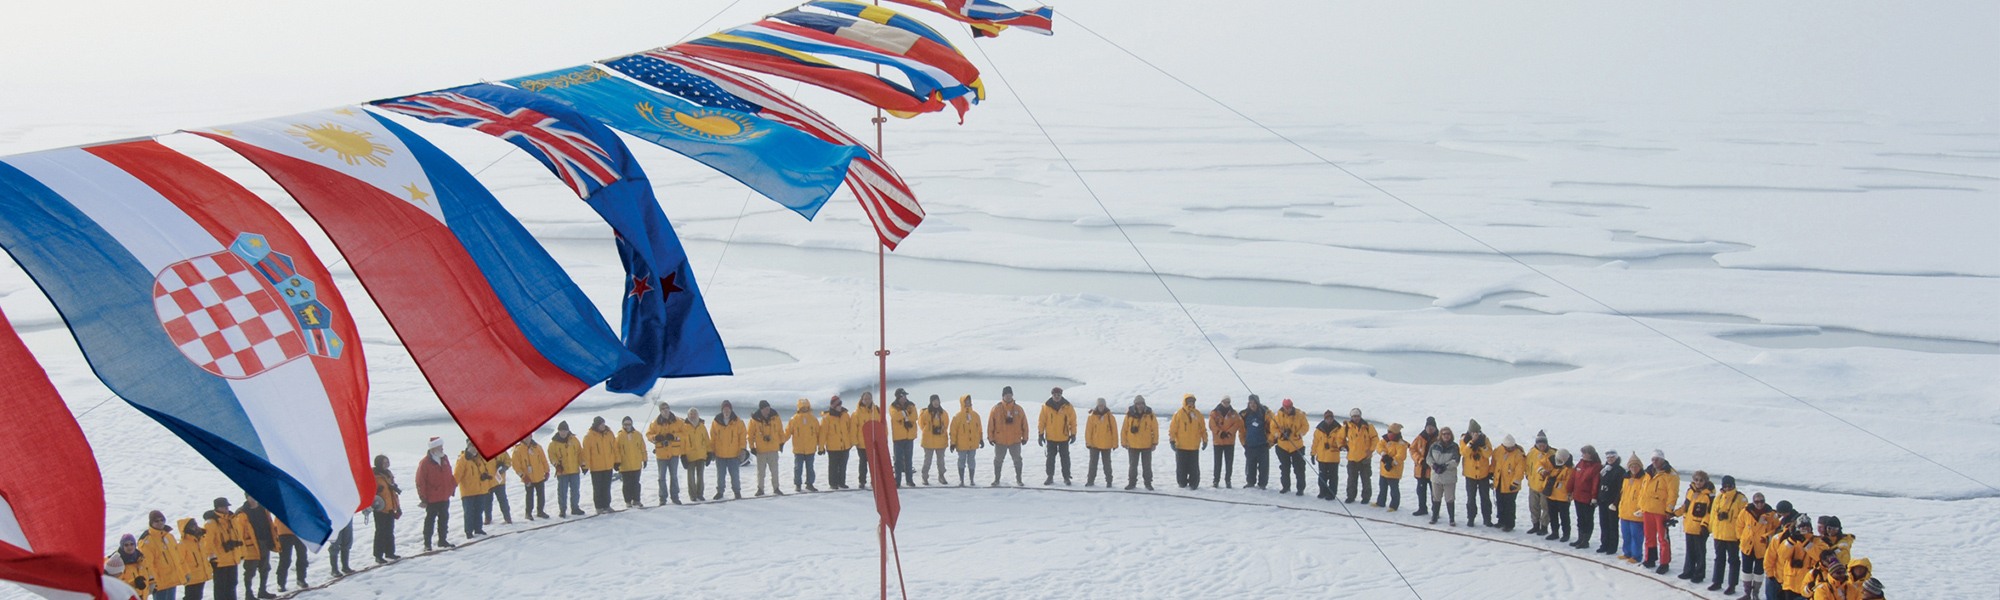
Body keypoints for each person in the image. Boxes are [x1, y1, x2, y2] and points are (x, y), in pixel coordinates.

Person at [1641, 450, 1681, 574]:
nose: (1654, 462)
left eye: (1657, 459)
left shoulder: (1671, 475)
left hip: (1661, 511)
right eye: (1653, 459)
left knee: (1662, 538)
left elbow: (1673, 494)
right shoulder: (1649, 472)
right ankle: (1650, 558)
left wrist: (1669, 510)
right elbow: (1644, 490)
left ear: (1662, 459)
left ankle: (1664, 562)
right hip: (1648, 509)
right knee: (1649, 536)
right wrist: (1641, 506)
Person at [1709, 475, 1749, 595]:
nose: (1727, 488)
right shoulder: (1719, 497)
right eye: (1725, 485)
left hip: (1733, 536)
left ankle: (1732, 585)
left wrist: (1741, 536)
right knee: (1719, 559)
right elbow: (1712, 515)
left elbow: (1744, 519)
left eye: (1729, 485)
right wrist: (1711, 529)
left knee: (1733, 561)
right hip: (1719, 535)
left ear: (1734, 485)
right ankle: (1717, 581)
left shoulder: (1741, 499)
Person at [1737, 495, 1781, 600]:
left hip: (1762, 547)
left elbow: (1777, 529)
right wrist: (1741, 538)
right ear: (1753, 502)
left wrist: (1766, 536)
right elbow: (1739, 525)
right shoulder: (1746, 511)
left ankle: (1755, 593)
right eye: (1757, 502)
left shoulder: (1772, 514)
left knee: (1759, 571)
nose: (1760, 504)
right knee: (1746, 570)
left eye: (1762, 501)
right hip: (1747, 545)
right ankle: (1747, 593)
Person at [1677, 470, 1717, 584]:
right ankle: (1688, 571)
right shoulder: (1690, 491)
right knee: (1690, 551)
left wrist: (1704, 525)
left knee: (1700, 552)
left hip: (1700, 528)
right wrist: (1674, 513)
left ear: (1705, 481)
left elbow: (1710, 512)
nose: (1698, 482)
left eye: (1701, 480)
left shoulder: (1709, 494)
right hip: (1689, 525)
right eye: (1696, 480)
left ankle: (1699, 574)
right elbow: (1686, 506)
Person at [647, 402, 689, 505]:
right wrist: (655, 438)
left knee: (674, 476)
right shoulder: (655, 423)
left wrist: (674, 436)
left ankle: (675, 497)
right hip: (661, 454)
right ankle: (662, 498)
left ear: (669, 409)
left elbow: (685, 434)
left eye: (667, 408)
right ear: (660, 411)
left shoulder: (678, 421)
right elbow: (648, 434)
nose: (665, 411)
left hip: (674, 453)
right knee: (661, 477)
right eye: (663, 409)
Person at [988, 387, 1030, 486]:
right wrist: (990, 437)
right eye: (1006, 395)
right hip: (1000, 441)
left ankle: (1019, 479)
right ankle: (996, 479)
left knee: (1017, 460)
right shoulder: (996, 409)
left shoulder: (1018, 409)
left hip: (1015, 440)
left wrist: (1025, 437)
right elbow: (990, 424)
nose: (1008, 396)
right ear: (1003, 396)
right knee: (998, 460)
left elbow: (1025, 424)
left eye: (1010, 395)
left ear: (1012, 395)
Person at [135, 511, 180, 600]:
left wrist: (183, 572)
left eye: (162, 520)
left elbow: (177, 557)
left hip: (172, 579)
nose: (160, 523)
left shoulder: (169, 536)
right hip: (159, 582)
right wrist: (151, 581)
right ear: (151, 523)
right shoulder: (147, 541)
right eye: (156, 521)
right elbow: (147, 564)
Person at [452, 440, 493, 538]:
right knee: (469, 512)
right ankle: (468, 531)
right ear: (469, 447)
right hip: (468, 491)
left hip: (480, 489)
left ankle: (478, 529)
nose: (475, 449)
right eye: (473, 447)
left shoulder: (480, 458)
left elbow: (485, 469)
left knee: (479, 511)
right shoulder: (462, 459)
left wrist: (486, 476)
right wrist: (452, 487)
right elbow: (457, 475)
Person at [749, 400, 790, 496]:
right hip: (761, 450)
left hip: (773, 449)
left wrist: (782, 443)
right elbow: (750, 435)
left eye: (769, 408)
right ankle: (760, 489)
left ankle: (776, 488)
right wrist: (752, 447)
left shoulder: (775, 417)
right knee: (761, 472)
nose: (768, 410)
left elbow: (780, 431)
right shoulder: (754, 420)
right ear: (761, 409)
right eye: (766, 409)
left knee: (774, 471)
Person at [204, 500, 243, 600]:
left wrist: (241, 553)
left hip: (232, 558)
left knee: (232, 584)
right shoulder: (211, 523)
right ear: (217, 508)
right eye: (224, 506)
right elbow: (208, 542)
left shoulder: (232, 519)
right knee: (221, 587)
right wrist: (210, 558)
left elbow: (238, 537)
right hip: (220, 561)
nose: (227, 508)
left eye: (227, 506)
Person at [1039, 387, 1077, 486]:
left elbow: (1073, 421)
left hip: (1064, 437)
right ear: (1052, 395)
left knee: (1065, 458)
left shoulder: (1068, 406)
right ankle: (1050, 476)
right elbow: (1042, 421)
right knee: (1050, 458)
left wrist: (1073, 434)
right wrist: (1040, 434)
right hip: (1050, 437)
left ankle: (1066, 477)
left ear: (1061, 395)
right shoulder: (1046, 406)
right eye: (1055, 395)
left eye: (1058, 395)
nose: (1057, 397)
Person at [1460, 420, 1496, 527]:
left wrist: (1481, 445)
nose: (1475, 434)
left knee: (1485, 498)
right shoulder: (1464, 439)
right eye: (1473, 432)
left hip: (1483, 474)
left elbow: (1488, 454)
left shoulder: (1485, 439)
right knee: (1471, 498)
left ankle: (1487, 519)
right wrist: (1471, 443)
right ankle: (1471, 518)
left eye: (1477, 432)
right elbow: (1463, 453)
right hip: (1470, 475)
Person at [1168, 394, 1207, 490]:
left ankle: (1194, 483)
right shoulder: (1178, 414)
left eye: (1192, 401)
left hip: (1194, 446)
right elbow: (1173, 429)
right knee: (1181, 468)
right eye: (1189, 401)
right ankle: (1182, 482)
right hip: (1181, 446)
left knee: (1194, 468)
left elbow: (1203, 429)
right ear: (1185, 402)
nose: (1191, 403)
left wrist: (1205, 440)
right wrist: (1172, 441)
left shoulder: (1198, 414)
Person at [711, 401, 748, 500]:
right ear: (722, 410)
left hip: (734, 455)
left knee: (735, 476)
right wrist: (712, 451)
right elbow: (713, 438)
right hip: (720, 455)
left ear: (731, 410)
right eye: (724, 409)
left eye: (728, 409)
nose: (726, 411)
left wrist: (742, 450)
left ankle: (737, 492)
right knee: (720, 476)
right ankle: (720, 492)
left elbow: (743, 437)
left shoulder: (738, 422)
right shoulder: (716, 422)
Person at [1271, 399, 1309, 496]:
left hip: (1296, 446)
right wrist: (1280, 434)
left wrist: (1298, 434)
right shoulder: (1277, 415)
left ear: (1292, 406)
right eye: (1285, 407)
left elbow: (1305, 426)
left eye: (1289, 407)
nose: (1287, 409)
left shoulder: (1300, 414)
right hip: (1282, 446)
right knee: (1284, 468)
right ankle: (1285, 486)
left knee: (1299, 469)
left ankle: (1300, 488)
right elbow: (1272, 428)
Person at [239, 496, 275, 599]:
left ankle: (262, 591)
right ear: (246, 497)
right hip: (251, 546)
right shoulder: (242, 512)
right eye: (251, 496)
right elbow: (240, 531)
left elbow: (269, 525)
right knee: (250, 570)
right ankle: (248, 594)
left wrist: (272, 540)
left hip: (265, 542)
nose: (254, 498)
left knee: (265, 568)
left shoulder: (263, 508)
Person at [583, 417, 620, 513]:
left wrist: (617, 461)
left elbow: (615, 448)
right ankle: (599, 507)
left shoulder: (609, 434)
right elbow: (586, 453)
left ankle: (606, 505)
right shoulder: (589, 437)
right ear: (596, 425)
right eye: (601, 424)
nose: (603, 426)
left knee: (606, 487)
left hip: (608, 465)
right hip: (596, 467)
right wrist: (585, 466)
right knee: (598, 488)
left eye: (603, 424)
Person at [1568, 446, 1603, 550]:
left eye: (1584, 453)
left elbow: (1595, 483)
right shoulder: (1580, 464)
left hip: (1588, 498)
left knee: (1587, 519)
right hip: (1578, 496)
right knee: (1580, 519)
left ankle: (1585, 540)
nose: (1582, 455)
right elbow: (1573, 477)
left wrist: (1594, 497)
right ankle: (1580, 538)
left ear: (1590, 454)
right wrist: (1569, 490)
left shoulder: (1596, 466)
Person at [1121, 395, 1159, 490]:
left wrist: (1154, 443)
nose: (1140, 406)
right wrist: (1124, 441)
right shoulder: (1129, 414)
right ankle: (1132, 483)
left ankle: (1148, 483)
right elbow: (1124, 429)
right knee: (1133, 466)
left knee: (1147, 466)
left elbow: (1155, 429)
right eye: (1138, 404)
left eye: (1141, 403)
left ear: (1144, 404)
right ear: (1135, 404)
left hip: (1147, 445)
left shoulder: (1150, 414)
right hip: (1133, 445)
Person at [1426, 426, 1461, 525]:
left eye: (1448, 434)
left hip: (1449, 477)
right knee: (1436, 497)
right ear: (1440, 435)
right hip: (1436, 476)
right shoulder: (1434, 445)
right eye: (1444, 434)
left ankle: (1451, 519)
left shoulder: (1454, 446)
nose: (1446, 436)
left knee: (1450, 498)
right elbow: (1428, 458)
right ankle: (1434, 516)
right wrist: (1434, 465)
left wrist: (1445, 466)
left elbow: (1456, 460)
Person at [370, 455, 403, 563]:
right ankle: (378, 555)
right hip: (380, 507)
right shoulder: (374, 476)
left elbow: (393, 493)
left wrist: (397, 506)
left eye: (387, 462)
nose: (386, 465)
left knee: (389, 531)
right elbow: (369, 491)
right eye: (384, 463)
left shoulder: (388, 474)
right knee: (380, 532)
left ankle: (390, 552)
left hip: (390, 506)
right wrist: (375, 491)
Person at [548, 422, 584, 517]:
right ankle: (562, 510)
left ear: (568, 431)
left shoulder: (574, 440)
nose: (563, 433)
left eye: (565, 431)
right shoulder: (553, 444)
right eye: (561, 431)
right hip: (562, 471)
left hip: (574, 470)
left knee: (575, 490)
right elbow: (552, 456)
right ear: (558, 431)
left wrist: (583, 464)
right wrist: (556, 465)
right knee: (562, 492)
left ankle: (575, 508)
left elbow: (580, 453)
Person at [1340, 408, 1377, 503]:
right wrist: (1342, 446)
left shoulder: (1368, 427)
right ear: (1351, 417)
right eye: (1353, 416)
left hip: (1365, 458)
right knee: (1351, 479)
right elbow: (1339, 438)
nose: (1355, 418)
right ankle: (1351, 496)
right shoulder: (1346, 427)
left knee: (1366, 479)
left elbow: (1375, 439)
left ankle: (1366, 497)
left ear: (1360, 416)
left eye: (1357, 416)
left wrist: (1371, 450)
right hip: (1352, 458)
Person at [1492, 435, 1527, 532]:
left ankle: (1510, 524)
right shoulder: (1498, 450)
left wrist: (1515, 483)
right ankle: (1501, 520)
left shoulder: (1519, 454)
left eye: (1511, 447)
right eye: (1508, 447)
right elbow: (1494, 463)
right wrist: (1491, 475)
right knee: (1500, 503)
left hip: (1511, 485)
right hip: (1499, 482)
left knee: (1509, 505)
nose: (1510, 449)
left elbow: (1519, 471)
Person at [1594, 449, 1625, 556]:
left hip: (1612, 502)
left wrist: (1615, 503)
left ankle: (1612, 546)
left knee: (1612, 525)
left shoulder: (1620, 471)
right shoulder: (1605, 469)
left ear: (1616, 458)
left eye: (1612, 457)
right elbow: (1599, 483)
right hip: (1603, 499)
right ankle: (1604, 544)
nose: (1610, 459)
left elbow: (1621, 489)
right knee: (1603, 524)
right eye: (1608, 458)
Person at [787, 399, 822, 493]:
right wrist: (780, 442)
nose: (804, 409)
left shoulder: (813, 419)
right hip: (798, 449)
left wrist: (821, 446)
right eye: (802, 407)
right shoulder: (794, 419)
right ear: (799, 408)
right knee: (798, 468)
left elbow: (819, 433)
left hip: (810, 449)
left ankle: (810, 484)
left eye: (806, 407)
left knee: (810, 467)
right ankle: (798, 484)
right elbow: (787, 432)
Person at [511, 437, 551, 519]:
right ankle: (528, 513)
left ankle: (540, 511)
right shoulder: (518, 450)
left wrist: (547, 471)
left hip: (539, 475)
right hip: (528, 478)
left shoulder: (538, 447)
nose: (527, 439)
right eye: (525, 437)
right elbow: (516, 466)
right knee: (529, 496)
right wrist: (523, 476)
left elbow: (544, 460)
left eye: (529, 436)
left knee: (541, 495)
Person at [822, 396, 856, 490]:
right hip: (833, 447)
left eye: (840, 404)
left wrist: (851, 442)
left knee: (843, 466)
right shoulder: (827, 417)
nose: (839, 406)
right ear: (833, 406)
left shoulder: (845, 415)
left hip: (845, 446)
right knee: (833, 466)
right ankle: (833, 483)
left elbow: (850, 429)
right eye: (837, 404)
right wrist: (821, 446)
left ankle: (842, 482)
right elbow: (823, 433)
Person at [1207, 396, 1241, 488]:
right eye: (1225, 402)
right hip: (1218, 441)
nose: (1227, 404)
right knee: (1217, 462)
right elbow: (1212, 424)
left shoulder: (1234, 413)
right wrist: (1219, 433)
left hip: (1229, 441)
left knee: (1229, 462)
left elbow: (1237, 424)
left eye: (1228, 402)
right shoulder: (1214, 413)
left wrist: (1229, 433)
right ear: (1221, 402)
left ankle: (1228, 480)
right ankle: (1216, 480)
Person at [1083, 397, 1118, 487]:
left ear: (1105, 405)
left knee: (1107, 465)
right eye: (1099, 405)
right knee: (1092, 464)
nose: (1101, 407)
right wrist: (1088, 442)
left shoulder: (1110, 417)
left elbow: (1114, 431)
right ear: (1097, 405)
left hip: (1107, 445)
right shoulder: (1092, 417)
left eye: (1102, 405)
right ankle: (1090, 480)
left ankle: (1109, 481)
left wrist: (1115, 443)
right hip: (1094, 445)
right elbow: (1088, 431)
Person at [1240, 395, 1273, 489]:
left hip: (1263, 444)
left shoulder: (1265, 413)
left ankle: (1262, 483)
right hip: (1250, 444)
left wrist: (1269, 442)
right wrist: (1243, 443)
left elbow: (1273, 427)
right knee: (1250, 465)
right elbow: (1241, 431)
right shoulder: (1245, 414)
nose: (1252, 405)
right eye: (1250, 403)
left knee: (1263, 467)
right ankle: (1250, 482)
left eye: (1254, 403)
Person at [1618, 454, 1646, 563]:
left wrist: (1641, 509)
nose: (1634, 468)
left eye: (1636, 466)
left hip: (1636, 513)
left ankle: (1636, 555)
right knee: (1626, 535)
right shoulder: (1626, 478)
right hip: (1625, 511)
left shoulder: (1644, 479)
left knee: (1636, 536)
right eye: (1632, 466)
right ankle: (1627, 553)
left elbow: (1644, 496)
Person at [951, 395, 984, 486]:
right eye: (966, 401)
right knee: (961, 461)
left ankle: (971, 480)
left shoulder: (975, 415)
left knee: (971, 461)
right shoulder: (957, 417)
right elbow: (953, 431)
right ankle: (961, 480)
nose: (967, 402)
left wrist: (981, 439)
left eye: (969, 400)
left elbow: (979, 429)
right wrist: (953, 443)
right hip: (961, 445)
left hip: (973, 444)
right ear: (962, 402)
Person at [918, 395, 952, 485]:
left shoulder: (944, 413)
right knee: (927, 461)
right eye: (934, 401)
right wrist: (929, 431)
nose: (936, 403)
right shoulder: (925, 413)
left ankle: (941, 476)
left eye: (937, 401)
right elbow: (921, 425)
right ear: (931, 402)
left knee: (941, 461)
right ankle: (924, 477)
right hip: (928, 441)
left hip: (941, 441)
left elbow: (946, 424)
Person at [1543, 449, 1575, 542]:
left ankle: (1566, 534)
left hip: (1563, 497)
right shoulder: (1553, 465)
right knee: (1553, 515)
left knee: (1564, 517)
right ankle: (1554, 532)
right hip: (1552, 495)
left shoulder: (1570, 469)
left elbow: (1570, 482)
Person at [890, 389, 920, 486]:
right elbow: (895, 416)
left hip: (909, 437)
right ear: (898, 397)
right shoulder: (892, 406)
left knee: (908, 459)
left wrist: (904, 416)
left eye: (905, 396)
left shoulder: (911, 405)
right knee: (898, 461)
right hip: (898, 438)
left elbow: (915, 416)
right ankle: (897, 481)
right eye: (903, 396)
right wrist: (906, 414)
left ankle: (909, 480)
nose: (905, 398)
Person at [615, 416, 648, 506]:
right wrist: (617, 462)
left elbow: (643, 448)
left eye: (629, 424)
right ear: (623, 425)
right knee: (627, 484)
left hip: (636, 464)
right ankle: (628, 501)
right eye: (625, 424)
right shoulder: (619, 436)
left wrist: (645, 459)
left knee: (636, 484)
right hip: (625, 465)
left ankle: (637, 500)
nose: (627, 426)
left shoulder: (638, 434)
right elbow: (616, 450)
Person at [177, 517, 212, 600]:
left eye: (195, 524)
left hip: (201, 575)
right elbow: (180, 561)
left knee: (198, 596)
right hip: (191, 578)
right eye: (192, 525)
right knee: (191, 597)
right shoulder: (183, 544)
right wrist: (186, 574)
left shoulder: (200, 540)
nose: (195, 527)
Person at [1376, 423, 1408, 511]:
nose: (1389, 434)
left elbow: (1401, 456)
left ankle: (1394, 505)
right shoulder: (1385, 440)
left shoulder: (1401, 444)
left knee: (1394, 490)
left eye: (1391, 432)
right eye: (1388, 432)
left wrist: (1391, 462)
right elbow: (1379, 446)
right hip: (1383, 470)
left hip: (1394, 471)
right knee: (1382, 487)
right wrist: (1383, 453)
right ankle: (1380, 502)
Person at [108, 534, 152, 598]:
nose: (129, 547)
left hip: (143, 596)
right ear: (122, 546)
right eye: (126, 545)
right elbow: (115, 585)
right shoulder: (117, 562)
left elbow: (148, 571)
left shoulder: (141, 558)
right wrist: (134, 583)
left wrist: (152, 582)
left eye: (132, 544)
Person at [1311, 410, 1342, 500]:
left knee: (1333, 477)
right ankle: (1322, 491)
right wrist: (1313, 454)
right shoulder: (1319, 429)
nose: (1329, 420)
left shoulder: (1339, 429)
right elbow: (1315, 442)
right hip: (1322, 458)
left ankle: (1332, 493)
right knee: (1322, 476)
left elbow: (1341, 440)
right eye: (1327, 418)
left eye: (1331, 418)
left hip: (1333, 458)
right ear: (1324, 419)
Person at [1410, 418, 1438, 517]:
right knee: (1421, 491)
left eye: (1432, 427)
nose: (1430, 429)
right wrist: (1420, 460)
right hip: (1421, 469)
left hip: (1434, 470)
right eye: (1428, 427)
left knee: (1435, 493)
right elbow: (1412, 450)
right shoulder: (1420, 437)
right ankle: (1422, 508)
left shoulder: (1439, 438)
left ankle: (1435, 510)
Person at [270, 519, 308, 593]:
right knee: (285, 560)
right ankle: (281, 583)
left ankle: (301, 579)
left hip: (299, 531)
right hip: (284, 532)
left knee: (302, 557)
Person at [683, 408, 711, 502]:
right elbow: (682, 442)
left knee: (700, 476)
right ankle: (692, 495)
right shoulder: (684, 427)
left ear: (698, 415)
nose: (693, 415)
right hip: (689, 455)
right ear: (688, 415)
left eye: (694, 414)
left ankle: (700, 494)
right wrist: (682, 455)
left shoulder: (702, 426)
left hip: (701, 455)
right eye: (691, 414)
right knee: (690, 477)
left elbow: (707, 440)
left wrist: (709, 452)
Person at [854, 392, 881, 488]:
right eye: (865, 399)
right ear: (861, 400)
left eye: (869, 398)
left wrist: (883, 438)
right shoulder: (857, 413)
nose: (867, 401)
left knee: (874, 463)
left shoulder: (877, 410)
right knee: (863, 463)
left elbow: (882, 425)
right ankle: (862, 481)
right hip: (862, 443)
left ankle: (874, 481)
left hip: (874, 442)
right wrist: (855, 441)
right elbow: (854, 428)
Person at [486, 449, 513, 525]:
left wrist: (505, 467)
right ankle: (488, 518)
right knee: (487, 502)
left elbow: (508, 461)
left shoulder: (501, 450)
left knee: (503, 500)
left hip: (499, 481)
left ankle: (507, 518)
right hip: (488, 481)